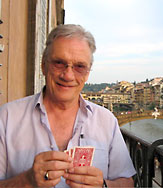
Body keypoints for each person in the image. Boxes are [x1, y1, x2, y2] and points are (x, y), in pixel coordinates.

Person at [0, 24, 136, 187]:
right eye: (59, 62)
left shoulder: (106, 121)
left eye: (79, 66)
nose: (68, 75)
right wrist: (26, 181)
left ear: (87, 73)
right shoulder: (7, 117)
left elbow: (127, 183)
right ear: (44, 65)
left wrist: (104, 185)